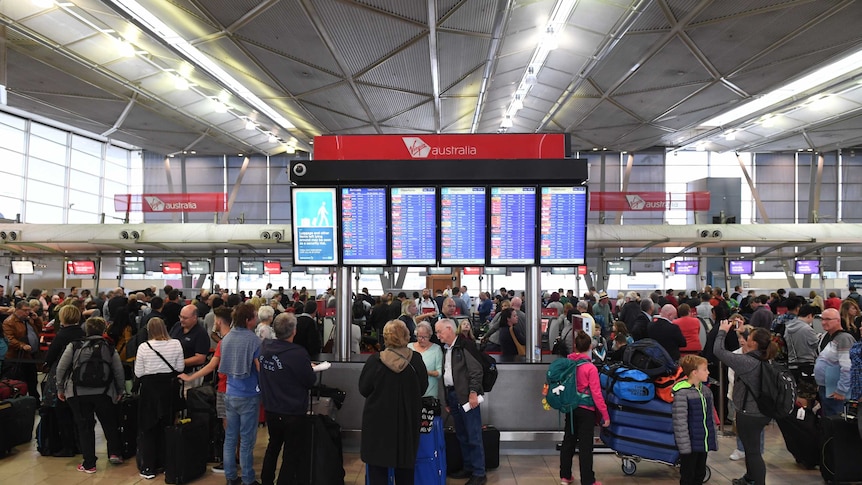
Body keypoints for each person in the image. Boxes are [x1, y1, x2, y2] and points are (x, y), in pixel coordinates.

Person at [360, 320, 428, 485]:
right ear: (406, 335)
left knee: (377, 470)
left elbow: (364, 388)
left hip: (378, 422)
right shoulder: (416, 360)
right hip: (407, 421)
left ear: (385, 338)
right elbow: (423, 388)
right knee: (405, 471)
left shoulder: (375, 361)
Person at [55, 317, 125, 474]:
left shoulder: (75, 345)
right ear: (103, 330)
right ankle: (115, 453)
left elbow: (61, 368)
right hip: (104, 392)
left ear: (86, 329)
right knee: (109, 423)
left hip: (77, 393)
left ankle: (89, 464)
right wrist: (120, 390)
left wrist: (60, 388)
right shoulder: (109, 346)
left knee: (85, 427)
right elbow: (118, 370)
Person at [713, 319, 777, 485]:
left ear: (754, 343)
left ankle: (758, 481)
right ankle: (750, 478)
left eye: (749, 336)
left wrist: (722, 331)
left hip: (750, 413)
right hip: (761, 410)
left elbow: (718, 351)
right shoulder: (765, 357)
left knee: (753, 451)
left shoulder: (746, 362)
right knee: (751, 449)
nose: (746, 338)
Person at [259, 312, 317, 485]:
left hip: (271, 407)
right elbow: (309, 380)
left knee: (273, 446)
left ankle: (266, 480)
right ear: (294, 331)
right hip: (293, 410)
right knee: (291, 453)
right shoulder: (297, 353)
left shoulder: (265, 347)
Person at [179, 306, 233, 473]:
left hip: (226, 389)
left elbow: (210, 366)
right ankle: (235, 460)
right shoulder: (241, 338)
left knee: (228, 427)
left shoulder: (224, 342)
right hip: (242, 390)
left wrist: (190, 378)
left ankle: (228, 463)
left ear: (218, 321)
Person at [435, 318, 486, 485]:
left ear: (449, 329)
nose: (438, 335)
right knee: (462, 435)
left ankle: (479, 472)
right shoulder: (446, 349)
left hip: (466, 397)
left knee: (473, 435)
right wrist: (447, 400)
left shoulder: (465, 346)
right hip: (452, 395)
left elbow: (476, 371)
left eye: (439, 331)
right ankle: (468, 467)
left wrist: (473, 393)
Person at [134, 317, 185, 479]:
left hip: (150, 390)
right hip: (169, 389)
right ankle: (166, 463)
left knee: (148, 428)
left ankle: (148, 467)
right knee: (167, 426)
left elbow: (139, 372)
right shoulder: (176, 344)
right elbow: (179, 367)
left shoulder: (144, 347)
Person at [219, 302, 262, 485]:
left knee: (230, 438)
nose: (257, 318)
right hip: (248, 394)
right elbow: (259, 368)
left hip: (230, 391)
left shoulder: (227, 338)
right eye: (254, 316)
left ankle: (230, 477)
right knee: (246, 440)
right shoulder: (253, 340)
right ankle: (248, 479)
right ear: (248, 320)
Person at [559, 330, 609, 485]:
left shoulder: (567, 363)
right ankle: (588, 480)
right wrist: (605, 415)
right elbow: (596, 393)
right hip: (586, 410)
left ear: (575, 346)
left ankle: (565, 476)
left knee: (569, 441)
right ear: (589, 347)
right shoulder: (590, 368)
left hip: (570, 407)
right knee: (586, 446)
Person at [42, 304, 85, 457]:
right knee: (79, 415)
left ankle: (67, 446)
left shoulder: (62, 335)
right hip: (82, 377)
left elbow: (50, 358)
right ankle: (80, 444)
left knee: (62, 413)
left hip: (62, 377)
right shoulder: (83, 332)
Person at [672, 355, 717, 485]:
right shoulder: (682, 393)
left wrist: (711, 438)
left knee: (700, 473)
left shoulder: (706, 391)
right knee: (688, 475)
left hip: (702, 442)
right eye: (705, 369)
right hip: (689, 444)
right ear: (694, 373)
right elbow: (680, 422)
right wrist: (684, 446)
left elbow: (710, 418)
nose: (708, 372)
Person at [814, 307, 854, 417]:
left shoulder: (844, 339)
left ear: (837, 320)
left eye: (827, 319)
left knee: (836, 421)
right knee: (829, 420)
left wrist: (841, 390)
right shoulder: (830, 337)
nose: (823, 322)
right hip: (827, 388)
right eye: (822, 319)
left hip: (835, 391)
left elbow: (847, 367)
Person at [3, 300, 43, 399]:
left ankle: (35, 402)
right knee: (20, 382)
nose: (27, 313)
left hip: (31, 356)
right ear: (17, 309)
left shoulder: (28, 320)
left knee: (33, 381)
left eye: (29, 310)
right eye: (25, 310)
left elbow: (39, 330)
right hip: (17, 358)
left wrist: (36, 319)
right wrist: (22, 345)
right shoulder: (9, 322)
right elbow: (9, 339)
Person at [408, 322, 443, 401]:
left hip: (429, 393)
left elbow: (440, 372)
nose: (422, 339)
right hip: (410, 391)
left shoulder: (436, 349)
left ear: (430, 336)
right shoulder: (409, 347)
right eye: (419, 336)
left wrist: (424, 372)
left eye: (425, 337)